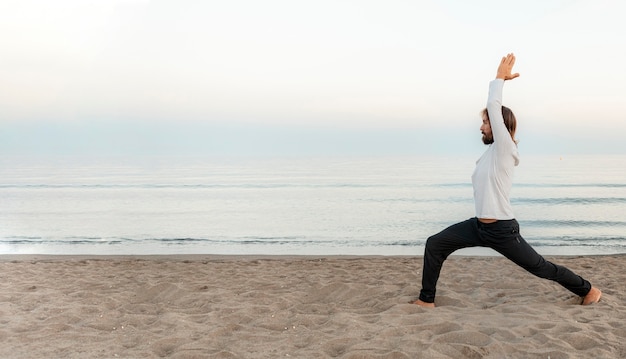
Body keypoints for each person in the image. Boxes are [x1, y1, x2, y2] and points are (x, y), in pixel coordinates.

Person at [412, 53, 601, 308]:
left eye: (485, 122)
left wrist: (499, 79)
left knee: (541, 268)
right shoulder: (490, 154)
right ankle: (426, 300)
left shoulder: (505, 148)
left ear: (499, 125)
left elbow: (493, 105)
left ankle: (588, 289)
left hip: (501, 230)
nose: (481, 127)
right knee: (435, 244)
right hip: (479, 227)